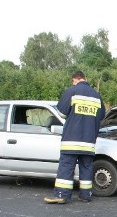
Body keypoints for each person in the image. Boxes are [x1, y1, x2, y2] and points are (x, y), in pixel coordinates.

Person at [44, 71, 105, 204]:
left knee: (66, 167)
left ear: (75, 80)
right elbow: (101, 116)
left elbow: (61, 113)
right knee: (87, 167)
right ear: (85, 78)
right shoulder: (96, 96)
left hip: (71, 140)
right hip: (89, 141)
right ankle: (86, 195)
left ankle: (61, 194)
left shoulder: (72, 91)